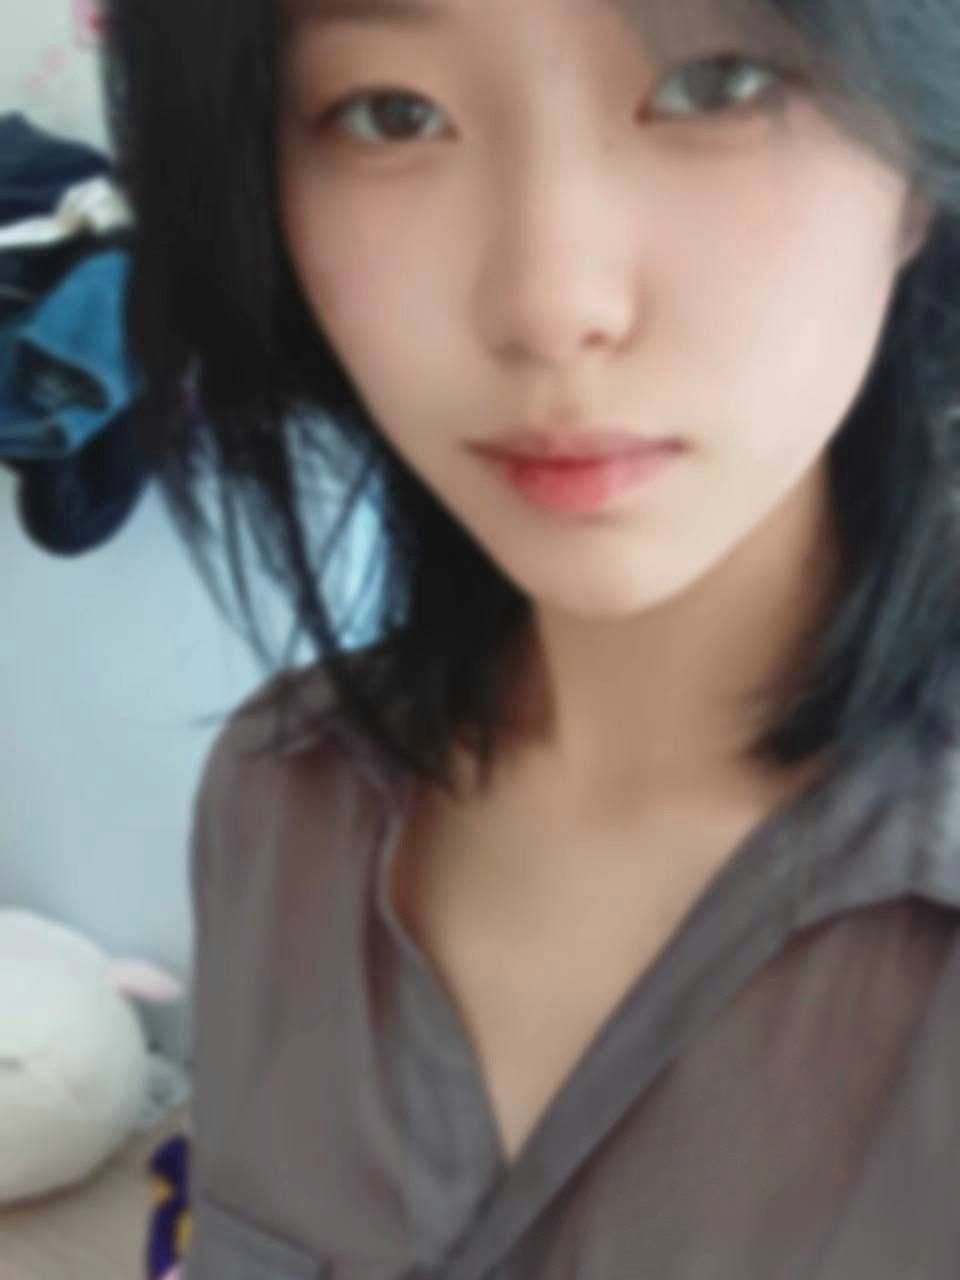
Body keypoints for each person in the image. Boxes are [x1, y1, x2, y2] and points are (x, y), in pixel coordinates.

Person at [102, 0, 960, 1274]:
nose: (550, 306)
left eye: (719, 84)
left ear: (922, 167)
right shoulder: (277, 794)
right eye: (391, 114)